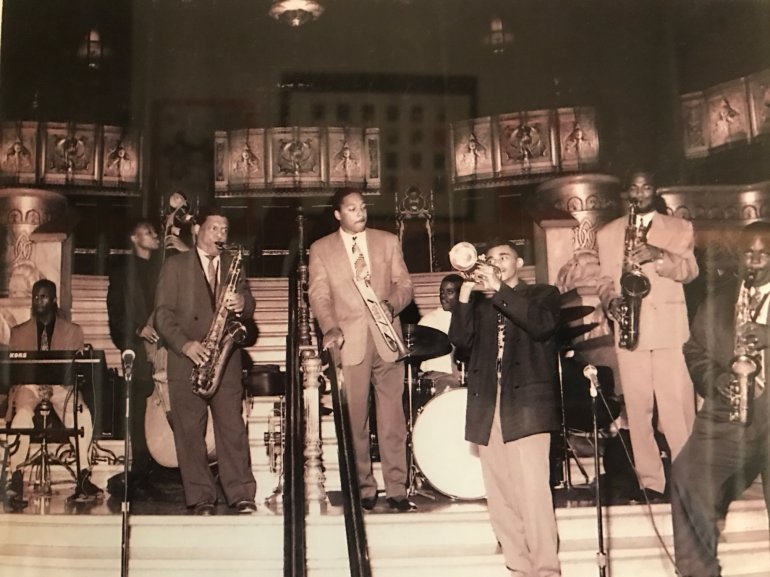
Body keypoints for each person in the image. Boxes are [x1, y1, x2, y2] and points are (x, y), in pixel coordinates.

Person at [448, 240, 562, 576]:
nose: (497, 261)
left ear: (520, 262)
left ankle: (546, 569)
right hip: (488, 403)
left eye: (504, 256)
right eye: (492, 257)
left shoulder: (544, 294)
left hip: (526, 403)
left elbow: (540, 325)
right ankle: (518, 566)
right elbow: (460, 341)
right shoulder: (481, 304)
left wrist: (498, 289)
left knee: (533, 491)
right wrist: (467, 294)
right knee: (499, 492)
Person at [672, 221, 770, 577]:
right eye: (749, 252)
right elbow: (694, 349)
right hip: (728, 415)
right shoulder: (721, 296)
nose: (755, 260)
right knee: (687, 472)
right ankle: (699, 571)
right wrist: (720, 379)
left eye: (764, 253)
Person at [308, 188, 414, 512]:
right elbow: (319, 295)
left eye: (363, 207)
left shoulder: (387, 241)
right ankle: (363, 489)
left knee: (393, 420)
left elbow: (405, 286)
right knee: (355, 421)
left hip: (387, 340)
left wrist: (390, 305)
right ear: (338, 214)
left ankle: (397, 489)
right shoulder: (321, 249)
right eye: (352, 208)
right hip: (349, 342)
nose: (360, 213)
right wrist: (330, 327)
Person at [596, 170, 698, 501]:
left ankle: (687, 482)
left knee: (677, 410)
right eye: (634, 187)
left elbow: (690, 271)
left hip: (669, 329)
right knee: (637, 412)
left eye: (647, 186)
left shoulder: (679, 227)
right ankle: (651, 482)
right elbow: (604, 280)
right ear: (627, 192)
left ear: (655, 190)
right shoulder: (608, 232)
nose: (640, 192)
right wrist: (610, 299)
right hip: (630, 329)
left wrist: (658, 255)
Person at [154, 206, 257, 515]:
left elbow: (249, 302)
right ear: (197, 229)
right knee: (189, 433)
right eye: (214, 229)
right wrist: (185, 345)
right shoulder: (175, 265)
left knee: (232, 429)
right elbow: (162, 313)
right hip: (187, 359)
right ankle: (201, 498)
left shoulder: (232, 264)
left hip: (224, 361)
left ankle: (240, 494)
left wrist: (242, 303)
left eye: (224, 230)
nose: (220, 236)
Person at [4, 279, 102, 509]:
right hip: (30, 386)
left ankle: (83, 475)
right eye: (35, 297)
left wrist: (58, 383)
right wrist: (35, 383)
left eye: (44, 297)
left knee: (81, 414)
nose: (38, 301)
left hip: (62, 388)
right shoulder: (18, 333)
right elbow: (15, 371)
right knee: (21, 417)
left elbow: (76, 371)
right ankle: (15, 476)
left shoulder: (73, 331)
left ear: (54, 299)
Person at [106, 219, 161, 496]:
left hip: (165, 348)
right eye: (148, 232)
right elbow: (115, 312)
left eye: (155, 232)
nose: (155, 235)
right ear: (133, 238)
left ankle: (166, 465)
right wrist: (137, 329)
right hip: (138, 349)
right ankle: (141, 470)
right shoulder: (121, 271)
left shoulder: (164, 266)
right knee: (138, 411)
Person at [418, 273, 464, 394]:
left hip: (466, 376)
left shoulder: (471, 319)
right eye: (441, 292)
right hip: (438, 377)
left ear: (462, 294)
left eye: (449, 292)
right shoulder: (429, 320)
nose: (443, 296)